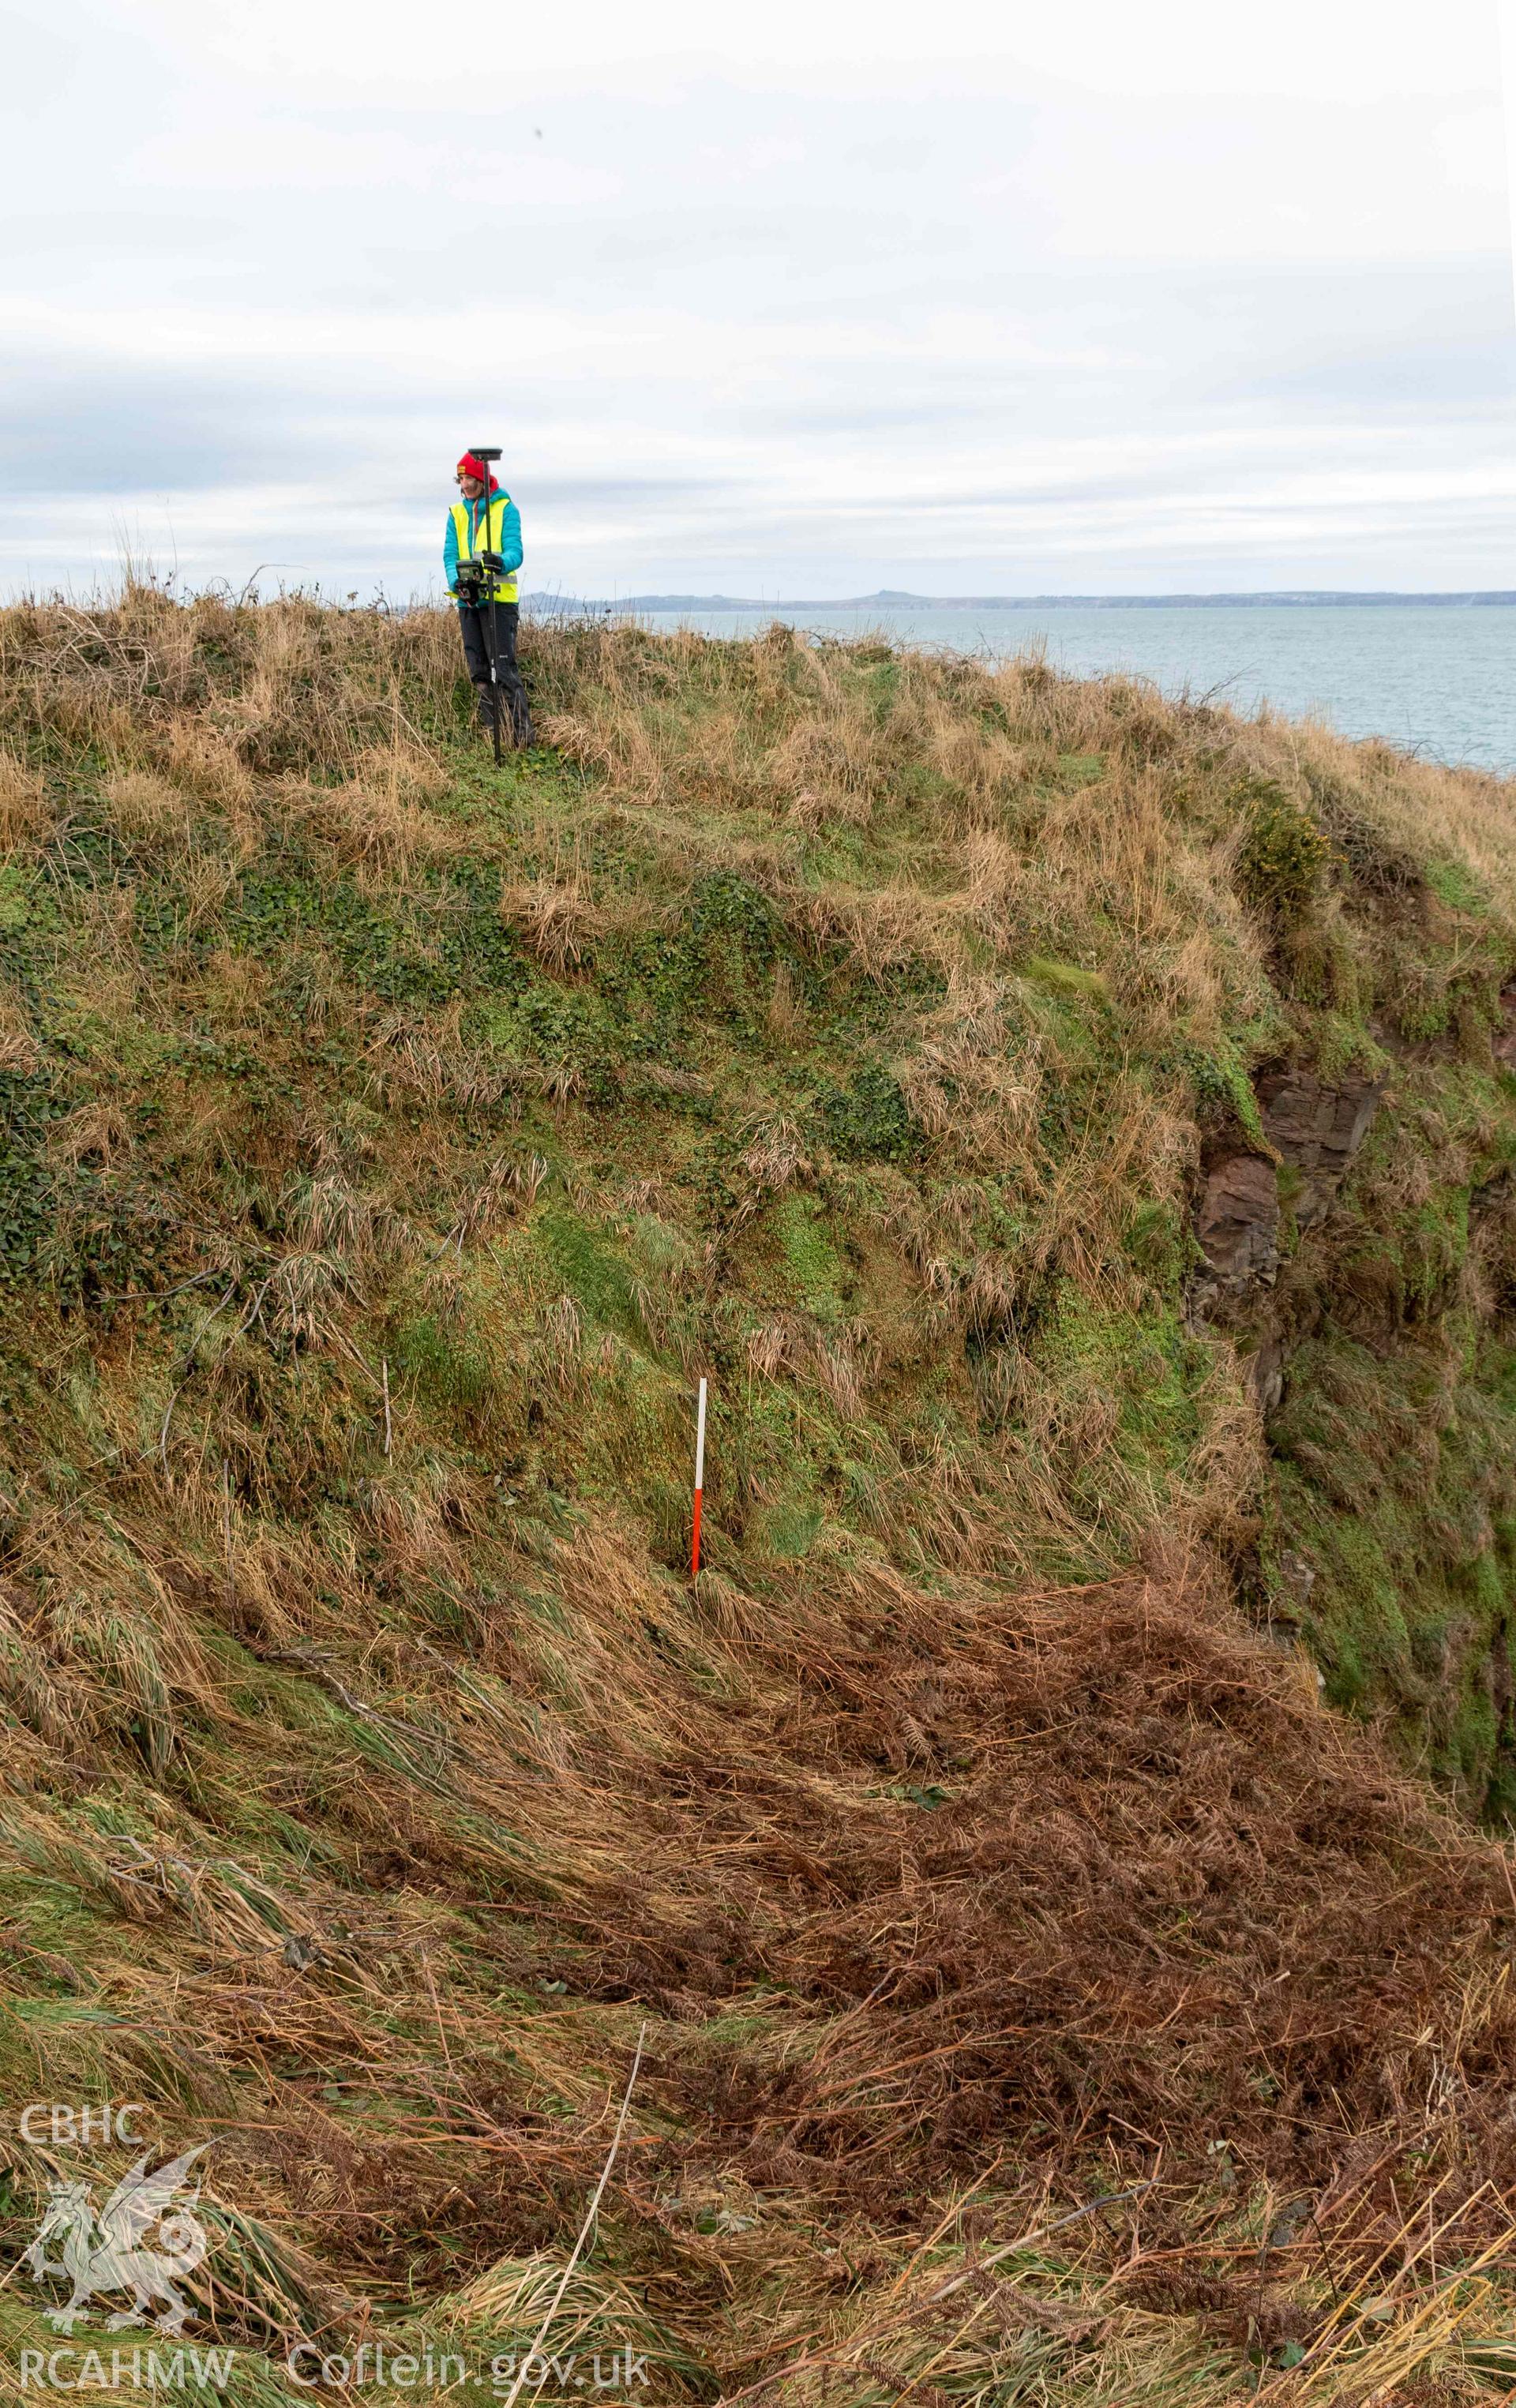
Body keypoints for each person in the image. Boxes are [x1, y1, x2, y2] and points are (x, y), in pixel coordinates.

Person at [444, 452, 533, 746]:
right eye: (461, 479)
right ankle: (492, 734)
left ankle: (522, 740)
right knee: (480, 673)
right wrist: (455, 582)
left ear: (482, 478)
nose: (465, 485)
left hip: (499, 602)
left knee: (504, 670)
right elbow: (450, 555)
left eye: (470, 478)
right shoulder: (456, 513)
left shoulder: (506, 509)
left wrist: (500, 561)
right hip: (468, 601)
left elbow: (516, 552)